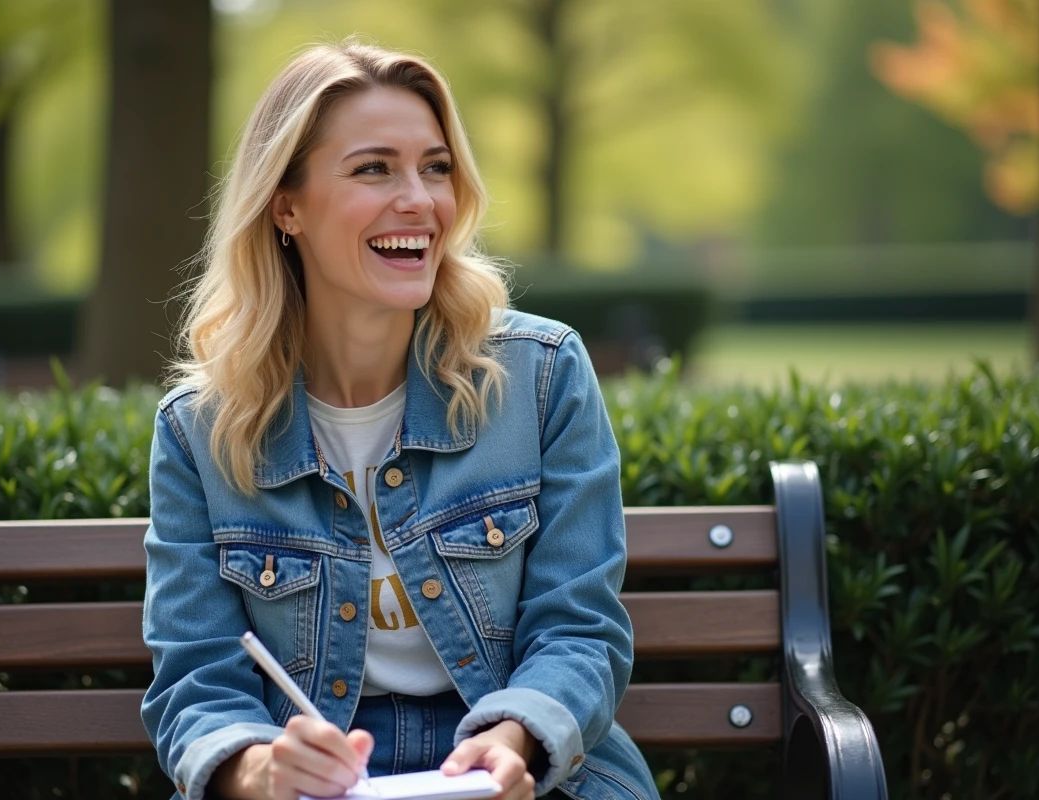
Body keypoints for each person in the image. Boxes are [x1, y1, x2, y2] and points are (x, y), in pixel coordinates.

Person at [141, 39, 659, 800]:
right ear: (287, 206)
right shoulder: (201, 431)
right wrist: (261, 770)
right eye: (373, 168)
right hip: (321, 777)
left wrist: (512, 740)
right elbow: (195, 680)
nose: (419, 200)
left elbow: (579, 629)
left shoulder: (542, 376)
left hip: (516, 757)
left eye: (437, 167)